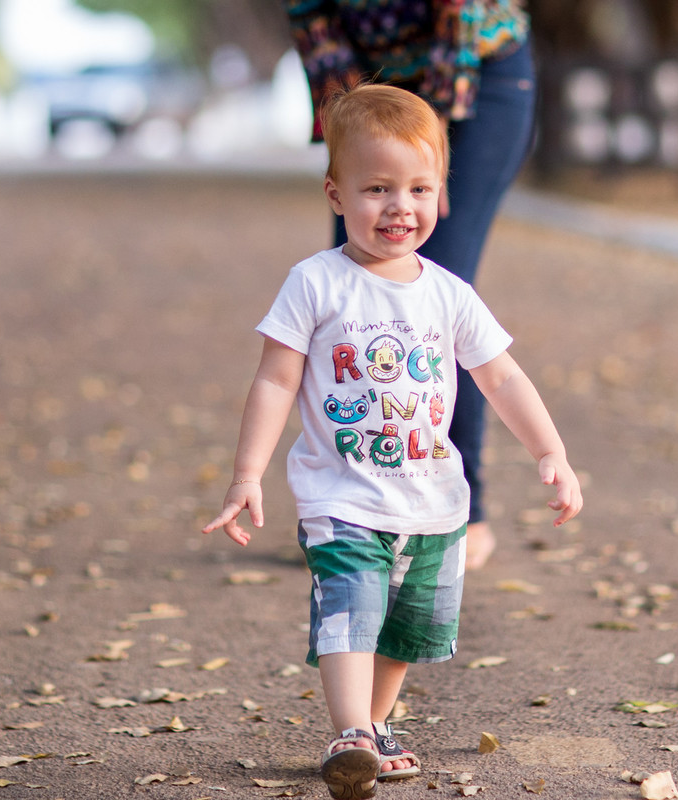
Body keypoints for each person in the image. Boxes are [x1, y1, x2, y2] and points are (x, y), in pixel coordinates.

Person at [202, 84, 581, 800]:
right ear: (336, 194)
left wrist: (550, 452)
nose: (399, 206)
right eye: (377, 188)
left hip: (431, 502)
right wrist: (247, 473)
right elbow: (276, 380)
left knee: (404, 629)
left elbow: (501, 377)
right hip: (341, 496)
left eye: (419, 188)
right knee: (349, 608)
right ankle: (349, 731)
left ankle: (372, 731)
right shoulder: (316, 283)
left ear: (442, 195)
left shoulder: (449, 293)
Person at [281, 0, 539, 570]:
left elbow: (459, 16)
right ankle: (350, 514)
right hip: (374, 93)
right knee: (351, 287)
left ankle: (465, 512)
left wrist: (430, 149)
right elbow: (317, 30)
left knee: (433, 296)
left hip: (476, 72)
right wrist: (348, 129)